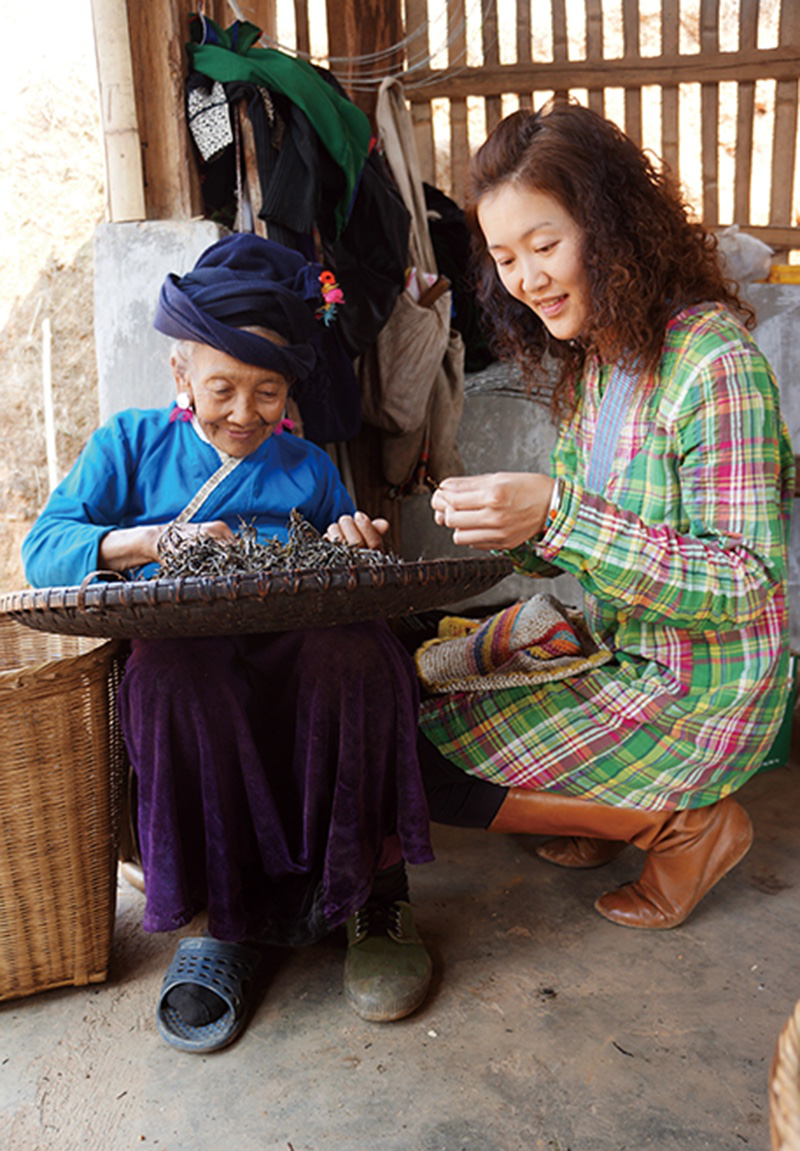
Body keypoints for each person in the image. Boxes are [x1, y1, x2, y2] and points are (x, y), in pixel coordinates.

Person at [22, 233, 433, 1051]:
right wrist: (146, 543)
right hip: (192, 649)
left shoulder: (308, 467)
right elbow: (44, 548)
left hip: (297, 648)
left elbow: (343, 562)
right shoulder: (129, 444)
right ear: (181, 376)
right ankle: (225, 919)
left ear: (290, 393)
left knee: (357, 653)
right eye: (222, 389)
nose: (245, 413)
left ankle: (372, 896)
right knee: (174, 677)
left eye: (267, 392)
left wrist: (353, 544)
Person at [420, 100, 794, 930]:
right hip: (619, 652)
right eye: (505, 258)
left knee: (422, 760)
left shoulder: (714, 364)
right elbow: (579, 548)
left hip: (701, 693)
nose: (526, 280)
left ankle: (685, 825)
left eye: (545, 245)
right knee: (420, 679)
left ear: (612, 228)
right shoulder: (600, 362)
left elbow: (743, 583)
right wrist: (514, 522)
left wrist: (557, 515)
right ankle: (601, 804)